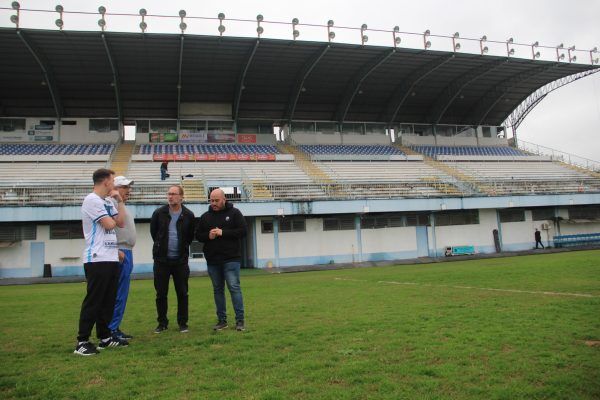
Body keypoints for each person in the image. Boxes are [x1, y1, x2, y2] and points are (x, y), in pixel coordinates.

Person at [74, 168, 129, 356]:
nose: (114, 185)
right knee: (94, 300)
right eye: (112, 181)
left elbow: (121, 222)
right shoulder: (92, 200)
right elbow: (108, 224)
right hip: (97, 258)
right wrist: (111, 215)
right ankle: (82, 341)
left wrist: (119, 201)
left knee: (108, 300)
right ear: (106, 182)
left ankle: (105, 337)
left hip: (110, 257)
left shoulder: (107, 201)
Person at [196, 188, 248, 331]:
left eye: (216, 200)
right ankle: (222, 321)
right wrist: (209, 236)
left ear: (224, 199)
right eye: (211, 200)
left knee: (234, 288)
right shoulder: (205, 216)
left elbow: (243, 231)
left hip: (231, 259)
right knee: (218, 290)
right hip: (213, 260)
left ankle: (240, 321)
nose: (214, 203)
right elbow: (198, 235)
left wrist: (222, 232)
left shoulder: (235, 213)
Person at [150, 185, 196, 333]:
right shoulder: (159, 213)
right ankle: (162, 323)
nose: (170, 197)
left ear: (181, 197)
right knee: (161, 294)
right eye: (169, 194)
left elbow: (189, 237)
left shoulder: (189, 215)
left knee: (182, 293)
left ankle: (183, 323)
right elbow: (154, 233)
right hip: (161, 261)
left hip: (180, 261)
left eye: (174, 194)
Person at [108, 176, 136, 340]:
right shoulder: (111, 203)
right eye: (124, 187)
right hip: (119, 252)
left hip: (125, 251)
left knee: (121, 293)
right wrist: (114, 249)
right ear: (115, 188)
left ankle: (115, 327)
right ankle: (111, 329)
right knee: (118, 293)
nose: (128, 191)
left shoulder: (120, 205)